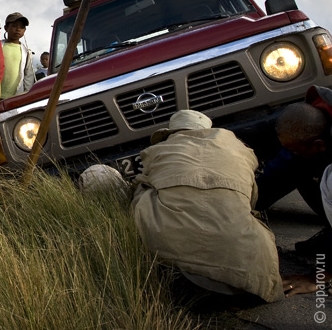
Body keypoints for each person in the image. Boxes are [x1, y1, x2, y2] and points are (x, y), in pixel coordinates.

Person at [132, 110, 283, 302]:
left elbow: (138, 185)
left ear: (171, 133)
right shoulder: (241, 151)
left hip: (182, 273)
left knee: (142, 190)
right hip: (248, 280)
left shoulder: (158, 151)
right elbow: (252, 201)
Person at [256, 86, 332, 255]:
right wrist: (244, 203)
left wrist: (318, 275)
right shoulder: (311, 124)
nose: (292, 153)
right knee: (296, 164)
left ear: (319, 144)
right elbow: (281, 169)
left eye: (295, 150)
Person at [0, 12, 35, 100]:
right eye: (14, 26)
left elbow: (29, 76)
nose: (18, 29)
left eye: (22, 27)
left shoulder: (26, 52)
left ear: (24, 31)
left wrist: (26, 96)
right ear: (6, 28)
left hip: (16, 97)